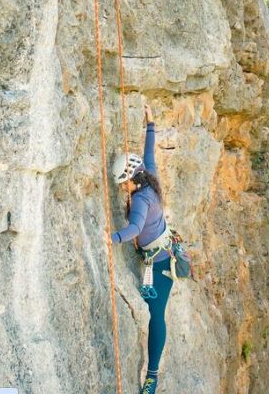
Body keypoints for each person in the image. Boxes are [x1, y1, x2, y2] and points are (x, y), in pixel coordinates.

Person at [109, 104, 172, 394]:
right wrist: (150, 121)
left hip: (160, 263)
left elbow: (134, 230)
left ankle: (153, 375)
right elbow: (149, 150)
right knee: (149, 300)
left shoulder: (142, 201)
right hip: (156, 255)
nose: (124, 189)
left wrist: (110, 239)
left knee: (156, 315)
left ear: (132, 180)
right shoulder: (148, 173)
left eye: (124, 184)